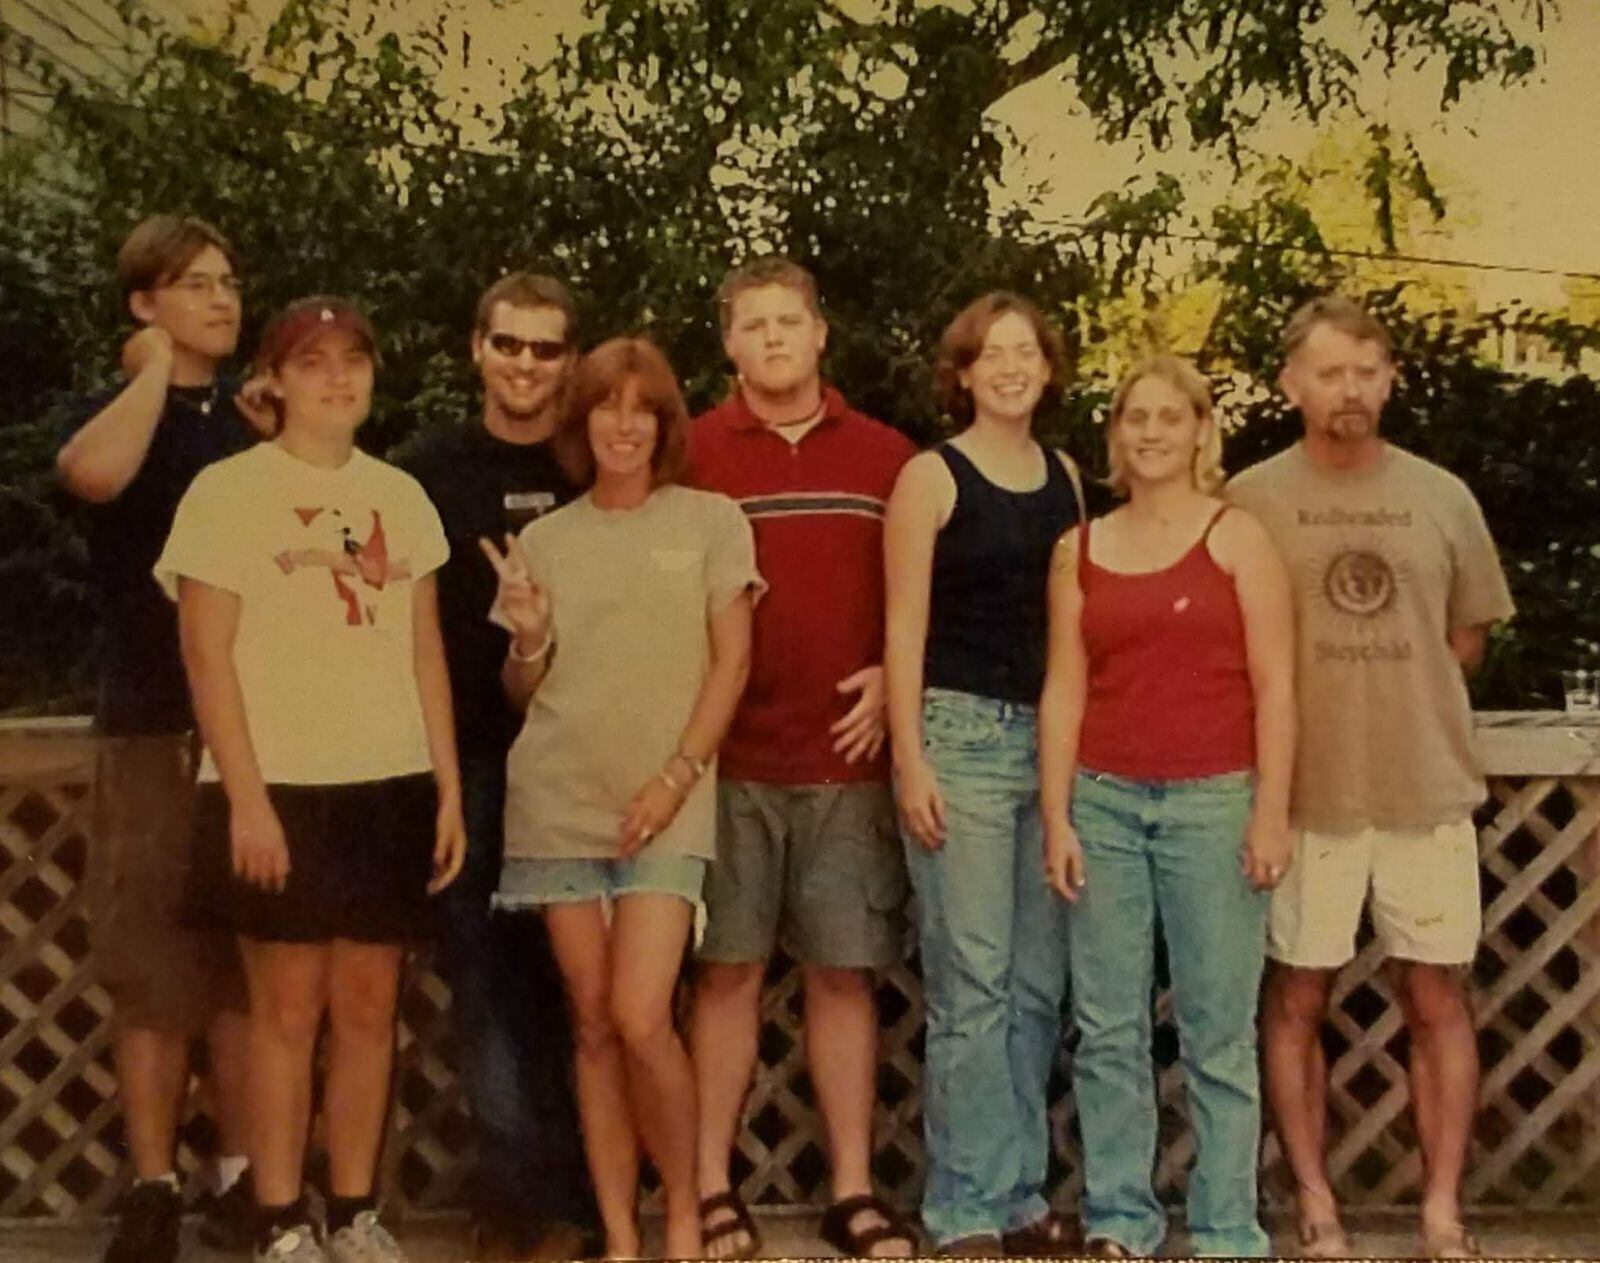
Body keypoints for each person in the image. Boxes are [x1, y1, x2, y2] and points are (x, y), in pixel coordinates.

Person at [156, 297, 466, 1263]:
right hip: (278, 784)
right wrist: (245, 797)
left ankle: (354, 1207)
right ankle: (281, 1218)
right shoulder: (226, 493)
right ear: (275, 380)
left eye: (354, 360)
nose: (338, 378)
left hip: (389, 781)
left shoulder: (402, 497)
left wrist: (448, 786)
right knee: (284, 1010)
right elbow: (207, 658)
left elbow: (425, 655)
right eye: (314, 361)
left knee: (371, 1006)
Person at [1227, 296, 1515, 1260]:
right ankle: (1315, 1202)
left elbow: (1465, 638)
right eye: (1327, 372)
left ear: (1390, 379)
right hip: (1301, 795)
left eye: (1365, 371)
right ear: (1291, 385)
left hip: (1425, 790)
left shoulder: (1443, 495)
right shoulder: (1250, 498)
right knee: (1295, 999)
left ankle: (1440, 1209)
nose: (1348, 390)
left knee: (1436, 1001)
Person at [484, 337, 761, 1260]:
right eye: (607, 406)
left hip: (667, 801)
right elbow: (526, 692)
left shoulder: (712, 520)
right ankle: (619, 1235)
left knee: (645, 1015)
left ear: (665, 423)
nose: (624, 424)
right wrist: (525, 639)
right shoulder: (546, 539)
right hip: (558, 803)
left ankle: (683, 1215)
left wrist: (677, 773)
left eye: (642, 408)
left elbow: (734, 662)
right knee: (595, 1025)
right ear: (583, 420)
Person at [684, 256, 919, 1259]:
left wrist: (890, 675)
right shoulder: (687, 454)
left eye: (790, 321)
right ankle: (707, 1185)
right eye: (753, 324)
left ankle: (853, 1192)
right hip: (725, 763)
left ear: (822, 334)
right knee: (726, 975)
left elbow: (935, 597)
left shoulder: (888, 458)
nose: (773, 338)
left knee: (840, 977)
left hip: (844, 762)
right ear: (728, 343)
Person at [1037, 354, 1295, 1257]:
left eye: (1167, 417)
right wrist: (1059, 811)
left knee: (1217, 1028)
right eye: (1133, 417)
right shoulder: (1081, 546)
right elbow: (1065, 689)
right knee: (1107, 1027)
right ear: (1114, 434)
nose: (1149, 432)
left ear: (1199, 431)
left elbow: (1276, 682)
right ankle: (1120, 1218)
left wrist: (1271, 811)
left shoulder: (1237, 538)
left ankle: (1227, 1226)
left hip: (1214, 801)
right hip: (1103, 801)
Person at [55, 215, 260, 1263]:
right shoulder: (120, 414)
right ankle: (151, 1183)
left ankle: (241, 1177)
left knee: (241, 969)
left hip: (261, 738)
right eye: (194, 285)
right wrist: (151, 374)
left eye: (229, 283)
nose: (222, 300)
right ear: (145, 304)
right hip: (149, 726)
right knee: (154, 971)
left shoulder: (253, 424)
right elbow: (90, 477)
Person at [397, 272, 598, 1259]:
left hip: (586, 768)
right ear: (476, 348)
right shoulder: (423, 474)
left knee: (584, 987)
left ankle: (581, 1193)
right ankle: (511, 1195)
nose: (526, 364)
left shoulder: (593, 460)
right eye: (508, 344)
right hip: (467, 761)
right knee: (480, 982)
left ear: (571, 360)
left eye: (546, 348)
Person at [883, 292, 1086, 1256]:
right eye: (990, 353)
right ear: (961, 372)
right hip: (955, 738)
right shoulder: (931, 477)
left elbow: (1075, 638)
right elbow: (902, 631)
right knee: (975, 981)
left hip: (1046, 747)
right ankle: (962, 1204)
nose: (1010, 366)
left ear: (1049, 369)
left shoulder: (1069, 479)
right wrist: (909, 758)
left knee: (1039, 984)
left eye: (1026, 351)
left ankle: (1018, 1194)